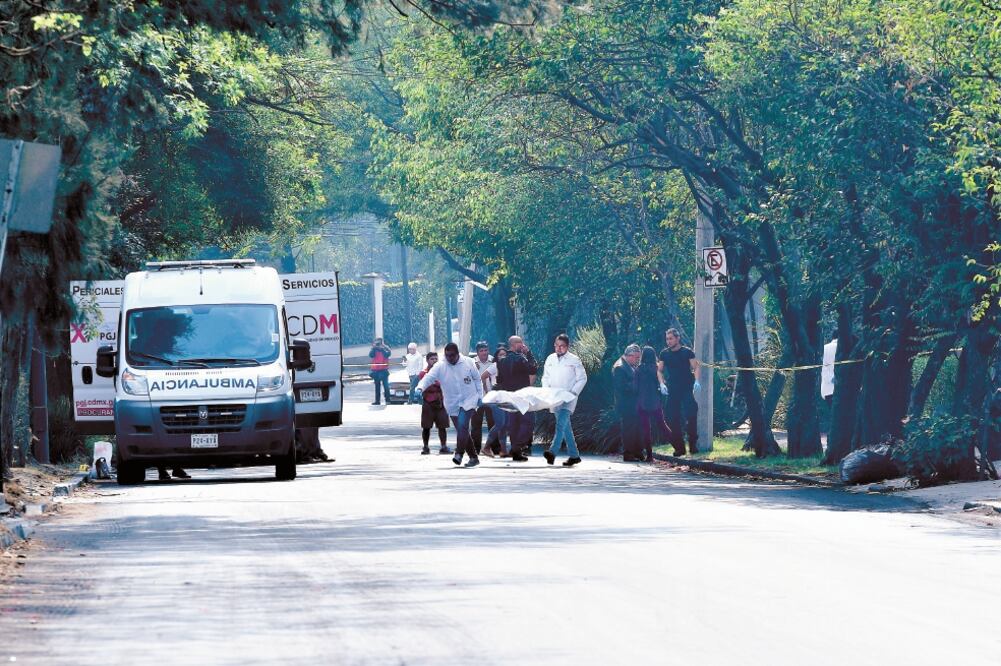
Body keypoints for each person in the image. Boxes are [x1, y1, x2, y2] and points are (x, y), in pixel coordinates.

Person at [416, 342, 484, 467]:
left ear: (457, 354)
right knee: (461, 430)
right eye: (447, 355)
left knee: (463, 425)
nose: (450, 358)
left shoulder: (468, 362)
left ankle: (459, 453)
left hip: (469, 399)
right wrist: (420, 388)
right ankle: (474, 457)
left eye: (452, 355)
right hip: (452, 403)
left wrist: (480, 396)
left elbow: (477, 379)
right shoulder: (440, 366)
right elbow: (428, 378)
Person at [541, 333, 588, 467]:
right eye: (557, 345)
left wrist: (573, 392)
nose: (559, 348)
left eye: (562, 346)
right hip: (554, 397)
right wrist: (546, 390)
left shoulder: (574, 360)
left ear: (567, 346)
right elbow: (545, 377)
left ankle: (552, 452)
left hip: (569, 396)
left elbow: (582, 378)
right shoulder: (550, 358)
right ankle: (574, 455)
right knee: (566, 427)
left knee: (561, 424)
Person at [495, 335, 538, 461]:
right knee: (528, 422)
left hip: (509, 396)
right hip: (522, 395)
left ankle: (516, 451)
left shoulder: (502, 361)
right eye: (520, 343)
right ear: (515, 345)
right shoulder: (521, 359)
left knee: (513, 424)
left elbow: (500, 379)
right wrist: (529, 354)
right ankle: (517, 447)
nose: (523, 345)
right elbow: (533, 368)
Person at [658, 328, 699, 455]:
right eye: (667, 339)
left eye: (670, 338)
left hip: (686, 387)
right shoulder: (664, 354)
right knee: (671, 417)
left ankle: (692, 444)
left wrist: (697, 381)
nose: (668, 341)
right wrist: (661, 383)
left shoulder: (687, 352)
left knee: (691, 413)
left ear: (677, 338)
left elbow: (695, 366)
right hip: (673, 389)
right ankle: (679, 448)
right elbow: (659, 370)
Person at [636, 346, 673, 461]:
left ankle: (649, 456)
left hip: (642, 403)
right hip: (655, 402)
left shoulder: (639, 369)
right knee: (663, 425)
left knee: (646, 429)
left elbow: (635, 387)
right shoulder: (657, 369)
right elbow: (663, 382)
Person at [417, 351, 451, 456]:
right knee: (426, 426)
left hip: (440, 401)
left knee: (442, 425)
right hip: (428, 401)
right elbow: (426, 385)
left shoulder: (442, 372)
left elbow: (446, 384)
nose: (434, 361)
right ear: (427, 360)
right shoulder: (424, 373)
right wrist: (437, 384)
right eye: (432, 359)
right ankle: (426, 446)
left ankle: (443, 446)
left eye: (436, 359)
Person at [613, 344, 643, 461]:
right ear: (629, 355)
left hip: (633, 404)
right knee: (629, 429)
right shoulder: (619, 367)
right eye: (636, 358)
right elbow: (621, 387)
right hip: (626, 405)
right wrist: (638, 385)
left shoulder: (628, 365)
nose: (637, 360)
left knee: (636, 428)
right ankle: (628, 454)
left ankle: (637, 452)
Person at [470, 341, 496, 455]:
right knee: (476, 424)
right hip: (477, 398)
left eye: (486, 350)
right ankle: (475, 448)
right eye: (481, 351)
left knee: (493, 423)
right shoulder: (472, 362)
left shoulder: (494, 361)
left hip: (492, 397)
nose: (484, 353)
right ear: (477, 352)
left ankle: (494, 448)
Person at [484, 345, 510, 456]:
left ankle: (503, 450)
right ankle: (486, 447)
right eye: (500, 355)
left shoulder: (509, 366)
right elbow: (483, 376)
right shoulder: (495, 366)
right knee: (500, 424)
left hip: (506, 396)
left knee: (505, 425)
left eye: (505, 354)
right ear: (497, 356)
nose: (503, 357)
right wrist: (487, 390)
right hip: (496, 397)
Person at [369, 337, 392, 405]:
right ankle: (377, 401)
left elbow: (387, 355)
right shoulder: (374, 349)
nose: (378, 344)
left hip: (384, 370)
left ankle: (387, 400)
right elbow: (371, 355)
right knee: (377, 386)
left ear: (382, 342)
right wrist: (374, 348)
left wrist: (382, 349)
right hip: (376, 370)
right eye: (377, 342)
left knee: (386, 386)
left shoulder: (386, 348)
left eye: (379, 342)